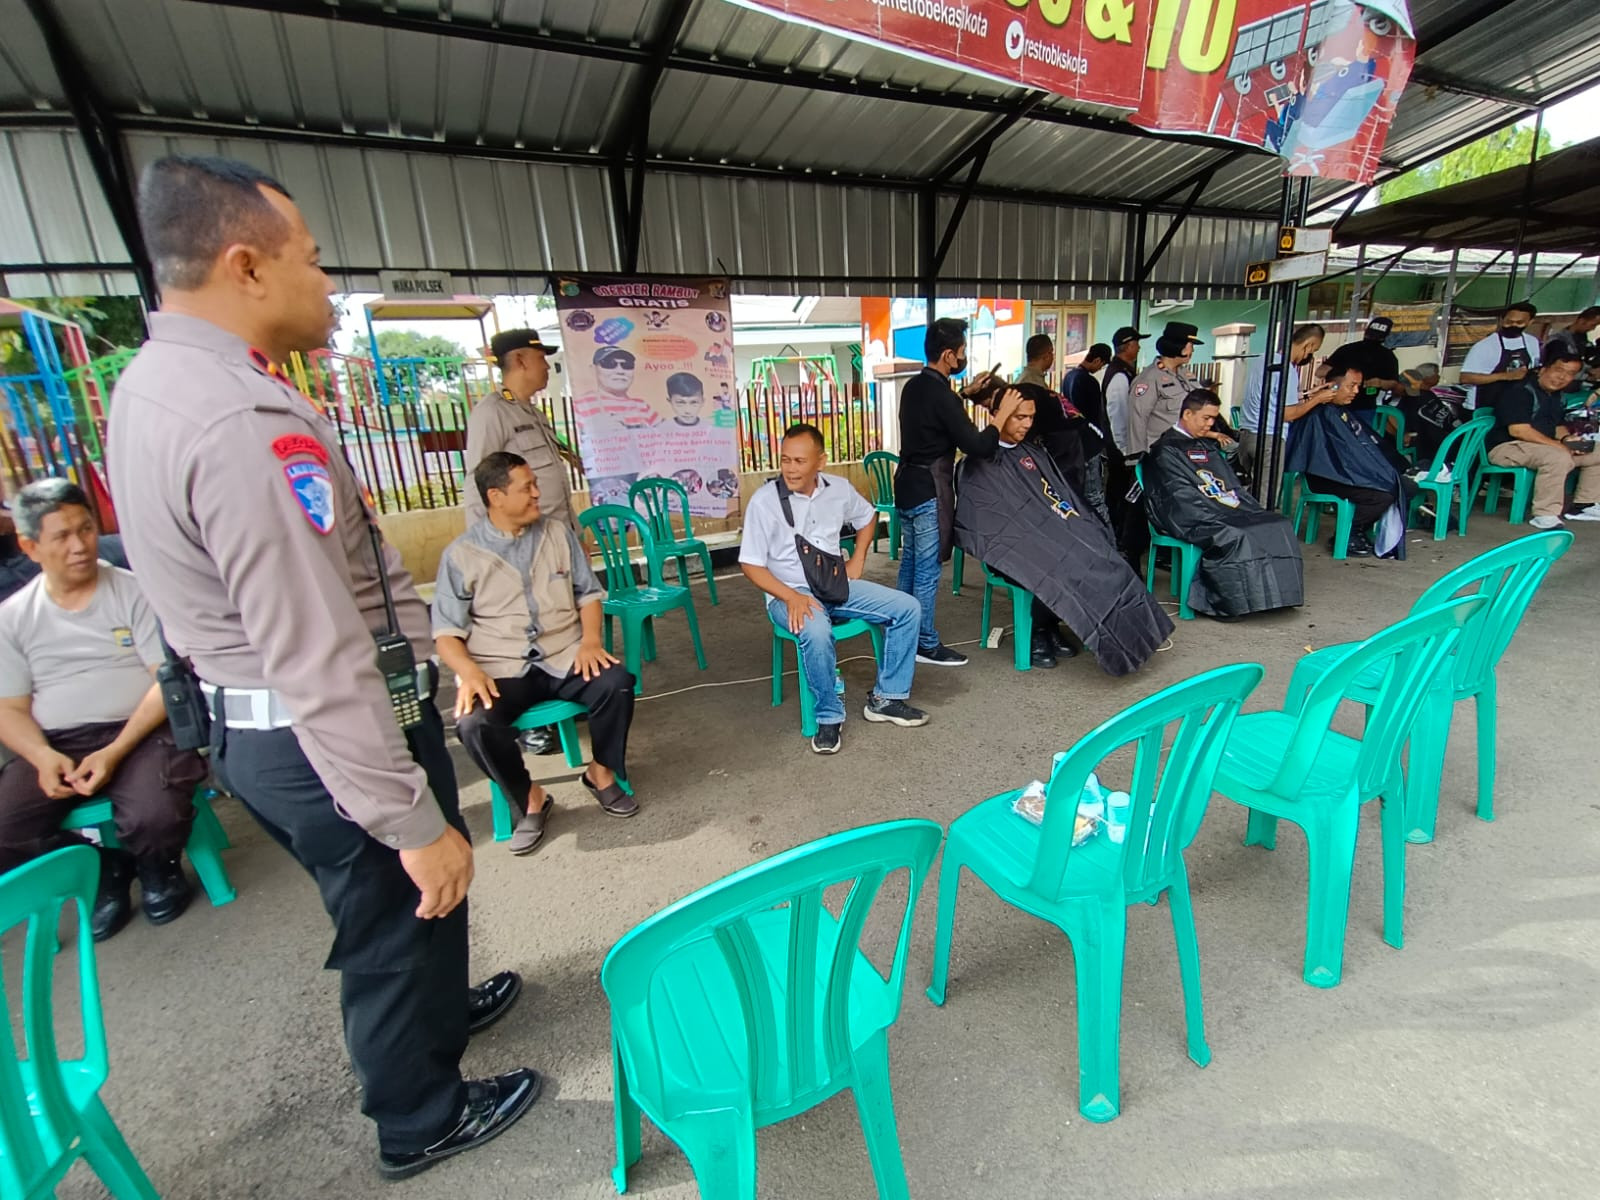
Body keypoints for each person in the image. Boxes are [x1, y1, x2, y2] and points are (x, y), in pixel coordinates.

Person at [106, 154, 535, 1180]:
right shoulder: (238, 423)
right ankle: (418, 1113)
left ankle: (441, 1012)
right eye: (312, 259)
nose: (328, 283)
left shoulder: (163, 383)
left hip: (295, 713)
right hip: (318, 724)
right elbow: (312, 651)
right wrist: (406, 820)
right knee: (398, 901)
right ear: (245, 265)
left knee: (420, 906)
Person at [0, 479, 205, 939]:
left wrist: (114, 750)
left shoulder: (134, 591)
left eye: (86, 529)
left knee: (153, 814)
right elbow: (8, 708)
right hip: (59, 741)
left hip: (142, 731)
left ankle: (158, 868)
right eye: (62, 537)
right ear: (30, 547)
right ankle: (103, 867)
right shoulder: (12, 618)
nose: (80, 546)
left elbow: (164, 680)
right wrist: (41, 755)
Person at [435, 452, 638, 854]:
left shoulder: (558, 534)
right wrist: (469, 672)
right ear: (495, 497)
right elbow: (445, 633)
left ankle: (600, 772)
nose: (536, 493)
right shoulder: (461, 555)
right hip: (501, 668)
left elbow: (589, 594)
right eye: (526, 487)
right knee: (474, 725)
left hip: (565, 654)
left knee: (617, 683)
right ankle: (529, 797)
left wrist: (591, 641)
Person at [954, 392, 1173, 676]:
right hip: (1012, 546)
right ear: (1000, 413)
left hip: (1051, 537)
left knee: (1104, 555)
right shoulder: (980, 462)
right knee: (1057, 564)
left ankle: (1051, 626)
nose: (1026, 424)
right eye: (1019, 417)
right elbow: (987, 521)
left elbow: (1061, 499)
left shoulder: (1033, 453)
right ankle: (1035, 632)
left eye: (1031, 418)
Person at [740, 424, 928, 755]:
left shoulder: (838, 489)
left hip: (834, 584)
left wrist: (858, 558)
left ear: (820, 461)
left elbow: (868, 518)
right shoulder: (764, 501)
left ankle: (887, 699)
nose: (791, 468)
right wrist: (791, 596)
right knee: (815, 629)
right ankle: (828, 715)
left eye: (799, 461)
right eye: (785, 460)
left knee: (907, 608)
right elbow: (751, 564)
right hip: (788, 592)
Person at [466, 328, 580, 758]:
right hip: (518, 549)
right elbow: (480, 485)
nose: (546, 365)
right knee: (523, 633)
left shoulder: (531, 412)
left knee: (561, 626)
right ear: (519, 361)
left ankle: (570, 697)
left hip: (554, 542)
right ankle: (530, 726)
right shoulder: (491, 414)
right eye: (540, 357)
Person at [892, 317, 1022, 668]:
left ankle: (902, 630)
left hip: (905, 486)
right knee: (927, 570)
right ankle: (924, 642)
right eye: (962, 352)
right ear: (949, 355)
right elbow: (977, 445)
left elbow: (937, 414)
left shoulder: (915, 387)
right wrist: (1001, 417)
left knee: (910, 564)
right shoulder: (943, 398)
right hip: (927, 491)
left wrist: (964, 394)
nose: (964, 358)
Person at [1143, 391, 1304, 620]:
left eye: (1213, 419)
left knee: (1277, 524)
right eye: (1206, 418)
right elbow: (1178, 495)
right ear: (1187, 414)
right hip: (1188, 515)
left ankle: (1275, 597)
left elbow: (1230, 484)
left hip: (1221, 506)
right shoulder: (1165, 449)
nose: (1210, 424)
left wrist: (1236, 507)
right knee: (1236, 534)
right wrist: (1219, 511)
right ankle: (1228, 603)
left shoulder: (1204, 445)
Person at [1282, 366, 1412, 559]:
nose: (1356, 391)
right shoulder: (1319, 414)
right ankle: (1348, 534)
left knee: (1403, 485)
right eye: (1351, 386)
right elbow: (1328, 458)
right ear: (1332, 387)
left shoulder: (1339, 413)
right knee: (1382, 495)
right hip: (1325, 476)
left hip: (1343, 472)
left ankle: (1358, 530)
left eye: (1358, 386)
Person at [1484, 346, 1600, 530]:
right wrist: (1558, 446)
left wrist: (1568, 440)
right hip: (1507, 447)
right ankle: (1545, 514)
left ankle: (1584, 505)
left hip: (1539, 446)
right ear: (1544, 369)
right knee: (1557, 456)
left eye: (1570, 374)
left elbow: (1557, 427)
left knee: (1595, 450)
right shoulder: (1520, 391)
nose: (1562, 378)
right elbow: (1519, 431)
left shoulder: (1556, 396)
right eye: (1559, 370)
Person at [1237, 323, 1325, 478]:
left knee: (1249, 492)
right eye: (1314, 350)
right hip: (1269, 439)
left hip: (1247, 436)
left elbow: (1271, 396)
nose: (1310, 355)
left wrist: (1307, 394)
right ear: (1309, 344)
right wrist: (1318, 399)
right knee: (1265, 498)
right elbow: (1288, 414)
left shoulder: (1264, 360)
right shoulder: (1287, 370)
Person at [1101, 325, 1147, 563]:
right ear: (1128, 346)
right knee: (1120, 497)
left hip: (1122, 448)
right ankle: (1118, 540)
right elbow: (1117, 414)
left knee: (1120, 496)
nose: (1139, 347)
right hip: (1121, 450)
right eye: (1137, 343)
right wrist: (1124, 449)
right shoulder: (1119, 375)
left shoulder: (1125, 372)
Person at [1127, 322, 1203, 457]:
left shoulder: (1186, 375)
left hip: (1188, 451)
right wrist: (1137, 458)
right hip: (1162, 455)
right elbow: (1137, 421)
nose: (1193, 351)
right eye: (1191, 346)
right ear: (1180, 347)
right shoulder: (1149, 379)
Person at [1061, 342, 1113, 523]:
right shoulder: (1089, 382)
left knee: (1076, 495)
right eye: (1102, 364)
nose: (1101, 368)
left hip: (1072, 444)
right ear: (1097, 360)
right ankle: (1106, 540)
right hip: (1089, 444)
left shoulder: (1068, 377)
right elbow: (1095, 415)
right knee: (1095, 496)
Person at [1459, 301, 1542, 412]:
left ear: (1530, 322)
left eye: (1519, 322)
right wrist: (1507, 376)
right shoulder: (1485, 346)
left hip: (1514, 404)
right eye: (1509, 321)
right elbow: (1466, 378)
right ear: (1502, 320)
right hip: (1482, 406)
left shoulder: (1532, 341)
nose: (1514, 325)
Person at [1320, 316, 1401, 417]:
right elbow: (1320, 371)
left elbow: (1394, 384)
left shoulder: (1387, 356)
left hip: (1364, 407)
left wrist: (1379, 382)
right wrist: (1344, 375)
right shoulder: (1348, 349)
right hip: (1337, 405)